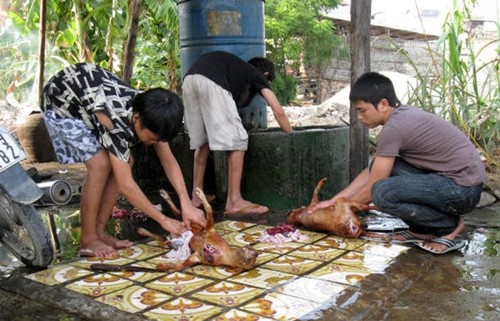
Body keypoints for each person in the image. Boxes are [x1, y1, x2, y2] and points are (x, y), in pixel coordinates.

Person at [41, 63, 206, 258]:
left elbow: (168, 160)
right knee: (100, 165)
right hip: (61, 103)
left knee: (126, 163)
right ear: (136, 119)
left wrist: (185, 203)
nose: (153, 143)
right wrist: (164, 220)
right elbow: (126, 185)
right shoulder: (115, 121)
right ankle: (88, 239)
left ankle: (100, 231)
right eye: (152, 138)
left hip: (90, 99)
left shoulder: (150, 111)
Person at [315, 72, 487, 254]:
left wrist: (338, 211)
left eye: (361, 110)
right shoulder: (400, 118)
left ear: (383, 104)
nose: (359, 117)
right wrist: (334, 202)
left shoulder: (394, 128)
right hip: (458, 184)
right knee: (380, 172)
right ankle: (420, 231)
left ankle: (447, 227)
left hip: (462, 190)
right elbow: (371, 172)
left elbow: (373, 186)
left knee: (382, 192)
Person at [182, 51, 293, 216]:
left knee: (202, 143)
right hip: (211, 81)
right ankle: (234, 201)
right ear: (266, 75)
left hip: (189, 79)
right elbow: (279, 111)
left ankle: (196, 198)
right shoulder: (256, 74)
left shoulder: (235, 70)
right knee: (239, 140)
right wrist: (292, 135)